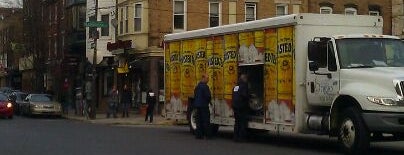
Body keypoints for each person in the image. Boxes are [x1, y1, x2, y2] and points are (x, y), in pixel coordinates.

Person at [193, 74, 212, 139]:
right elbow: (208, 96)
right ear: (203, 78)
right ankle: (207, 135)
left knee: (198, 121)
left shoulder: (197, 86)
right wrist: (208, 102)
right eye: (207, 78)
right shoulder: (205, 86)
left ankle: (198, 135)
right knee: (206, 120)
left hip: (197, 105)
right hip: (203, 105)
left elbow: (195, 95)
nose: (208, 80)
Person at [232, 74, 250, 142]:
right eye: (246, 79)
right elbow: (244, 95)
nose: (247, 80)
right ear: (244, 79)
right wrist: (249, 96)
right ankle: (241, 138)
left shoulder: (236, 86)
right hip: (242, 106)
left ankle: (235, 137)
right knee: (242, 122)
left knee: (237, 122)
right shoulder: (244, 86)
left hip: (235, 106)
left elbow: (234, 95)